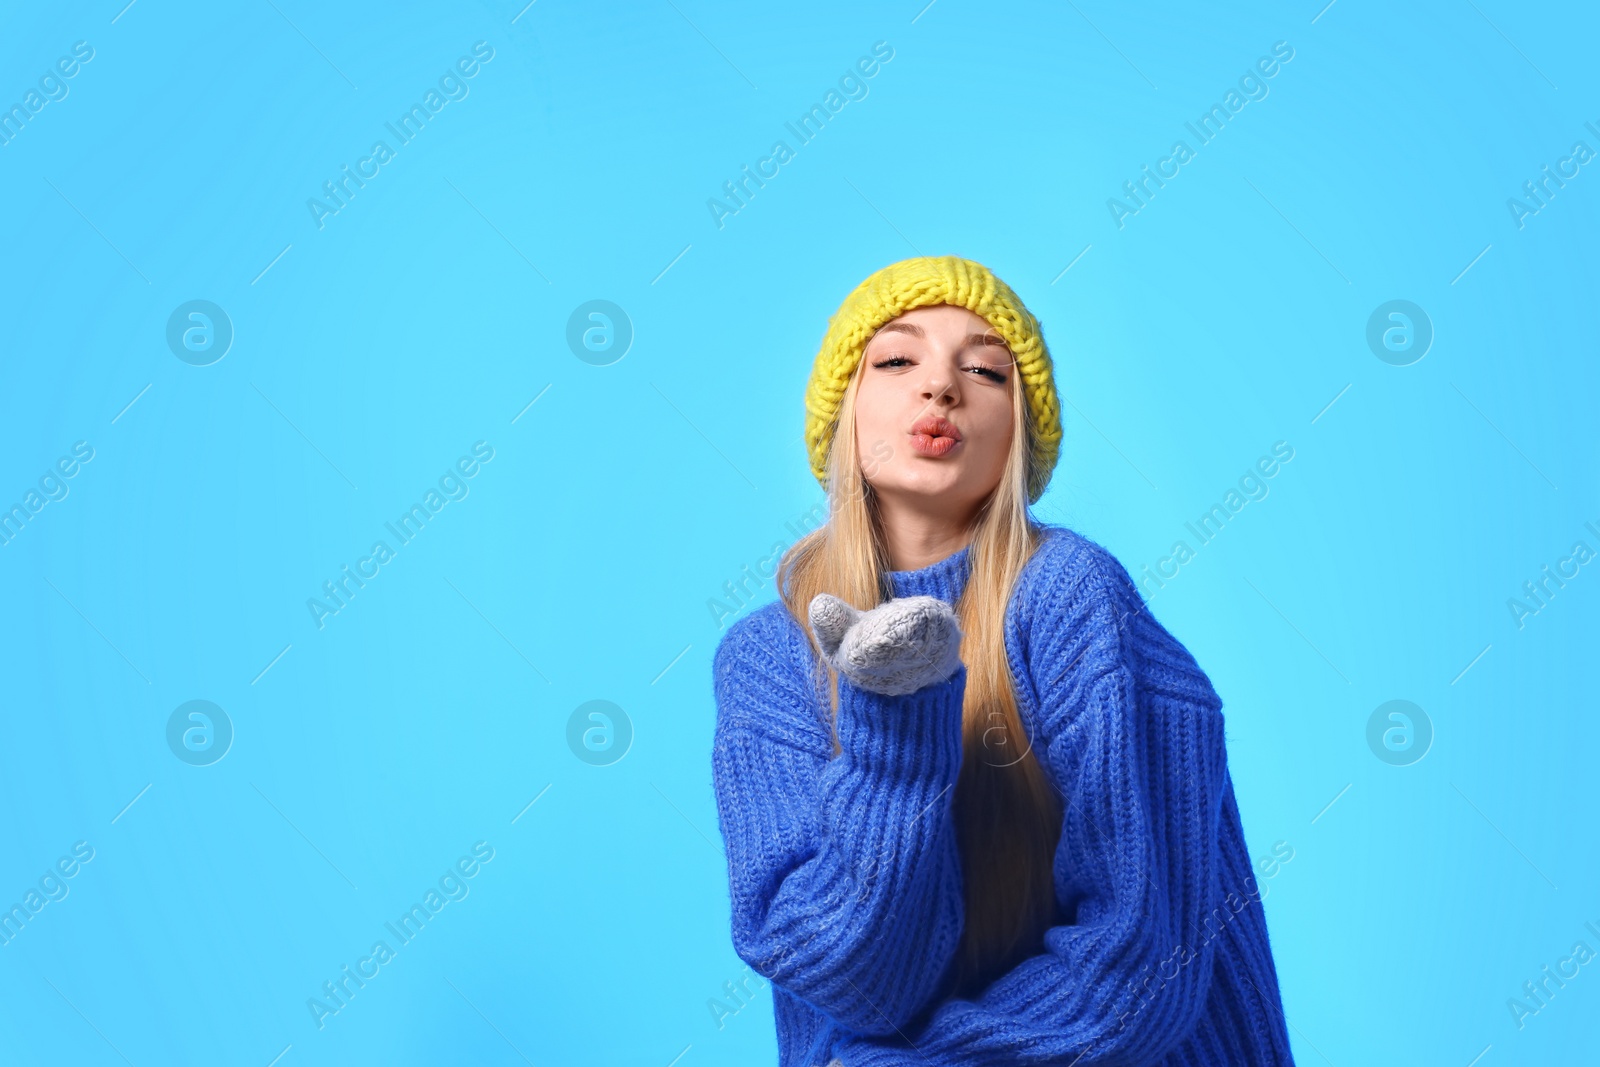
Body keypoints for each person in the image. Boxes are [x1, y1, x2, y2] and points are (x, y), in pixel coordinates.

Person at [709, 256, 1296, 1066]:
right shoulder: (769, 656)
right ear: (844, 410)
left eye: (984, 370)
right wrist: (897, 730)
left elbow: (1141, 962)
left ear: (1020, 433)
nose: (941, 387)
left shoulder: (1074, 599)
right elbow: (853, 980)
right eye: (897, 358)